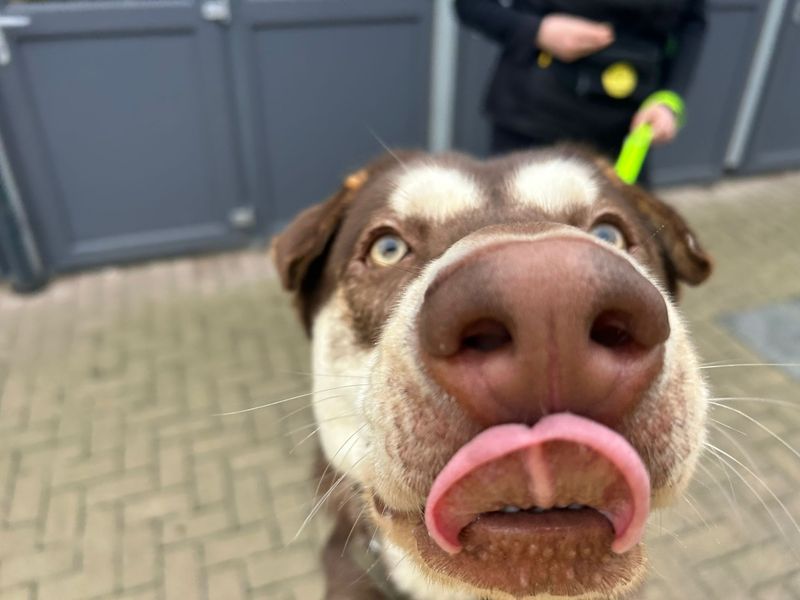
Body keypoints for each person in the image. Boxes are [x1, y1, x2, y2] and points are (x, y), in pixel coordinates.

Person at [455, 0, 706, 169]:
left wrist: (669, 99)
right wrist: (537, 31)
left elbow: (692, 23)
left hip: (628, 132)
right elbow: (471, 5)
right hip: (532, 121)